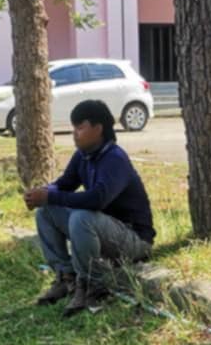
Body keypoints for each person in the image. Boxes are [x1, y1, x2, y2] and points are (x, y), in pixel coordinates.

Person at [23, 99, 155, 316]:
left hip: (134, 240)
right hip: (104, 232)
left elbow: (97, 200)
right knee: (45, 211)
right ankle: (67, 277)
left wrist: (50, 196)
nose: (74, 134)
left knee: (81, 217)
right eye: (73, 128)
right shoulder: (83, 156)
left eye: (80, 127)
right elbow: (65, 184)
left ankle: (92, 286)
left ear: (98, 128)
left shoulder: (115, 158)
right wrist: (43, 192)